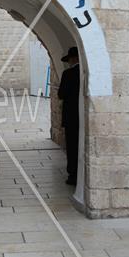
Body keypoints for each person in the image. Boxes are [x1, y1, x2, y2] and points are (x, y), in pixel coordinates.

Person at [58, 46, 80, 186]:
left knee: (72, 146)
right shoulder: (86, 72)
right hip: (82, 117)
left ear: (73, 59)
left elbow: (61, 94)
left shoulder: (68, 74)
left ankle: (73, 175)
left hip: (71, 117)